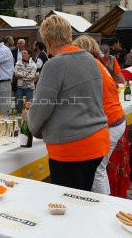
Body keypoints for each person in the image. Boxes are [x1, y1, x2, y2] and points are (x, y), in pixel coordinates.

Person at [27, 15, 109, 191]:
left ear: (47, 41)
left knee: (67, 204)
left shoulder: (54, 65)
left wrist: (30, 121)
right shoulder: (90, 59)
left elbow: (41, 108)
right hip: (97, 141)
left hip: (71, 148)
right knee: (82, 198)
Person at [73, 35, 126, 195]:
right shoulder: (98, 64)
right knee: (98, 169)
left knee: (97, 170)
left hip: (110, 122)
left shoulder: (89, 66)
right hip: (114, 120)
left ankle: (103, 209)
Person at [14, 49, 37, 114]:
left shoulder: (33, 64)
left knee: (30, 103)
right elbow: (16, 73)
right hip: (19, 86)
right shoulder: (18, 62)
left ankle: (29, 117)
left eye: (25, 53)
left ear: (29, 55)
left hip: (29, 87)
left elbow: (32, 76)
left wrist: (21, 75)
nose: (23, 54)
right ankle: (19, 115)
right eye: (22, 53)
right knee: (18, 103)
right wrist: (26, 74)